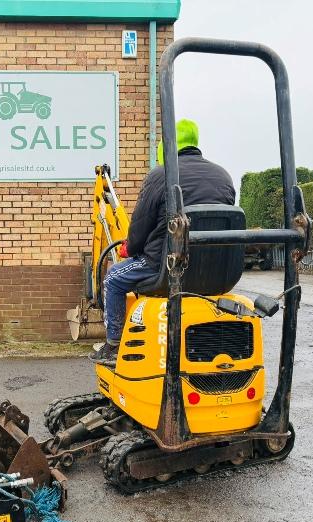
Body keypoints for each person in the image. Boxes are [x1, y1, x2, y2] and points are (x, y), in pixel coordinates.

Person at [90, 119, 236, 366]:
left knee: (113, 278)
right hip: (216, 271)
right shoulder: (223, 175)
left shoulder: (161, 175)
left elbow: (140, 227)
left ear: (166, 145)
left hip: (165, 266)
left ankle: (114, 345)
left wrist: (131, 248)